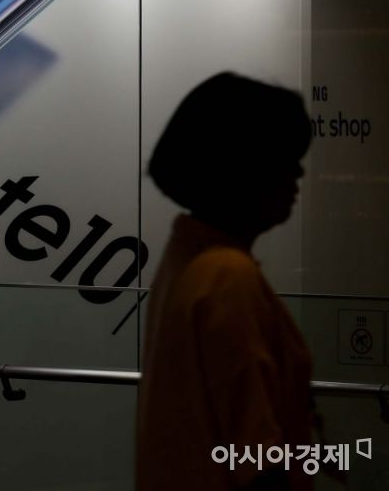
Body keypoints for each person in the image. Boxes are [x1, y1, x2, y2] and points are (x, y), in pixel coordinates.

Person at [136, 72, 317, 490]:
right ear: (242, 167)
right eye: (284, 157)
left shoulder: (187, 261)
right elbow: (256, 456)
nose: (299, 173)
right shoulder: (227, 278)